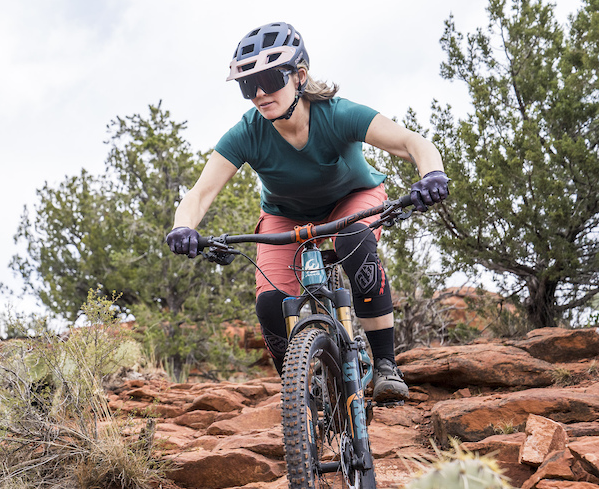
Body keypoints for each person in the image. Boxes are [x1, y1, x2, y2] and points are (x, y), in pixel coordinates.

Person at [166, 22, 448, 403]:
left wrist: (432, 174)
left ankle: (384, 364)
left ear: (299, 76)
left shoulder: (337, 114)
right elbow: (200, 193)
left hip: (352, 199)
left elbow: (411, 142)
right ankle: (300, 390)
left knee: (355, 243)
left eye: (269, 78)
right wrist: (182, 227)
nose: (260, 94)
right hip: (287, 215)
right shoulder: (247, 133)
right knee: (271, 304)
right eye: (249, 86)